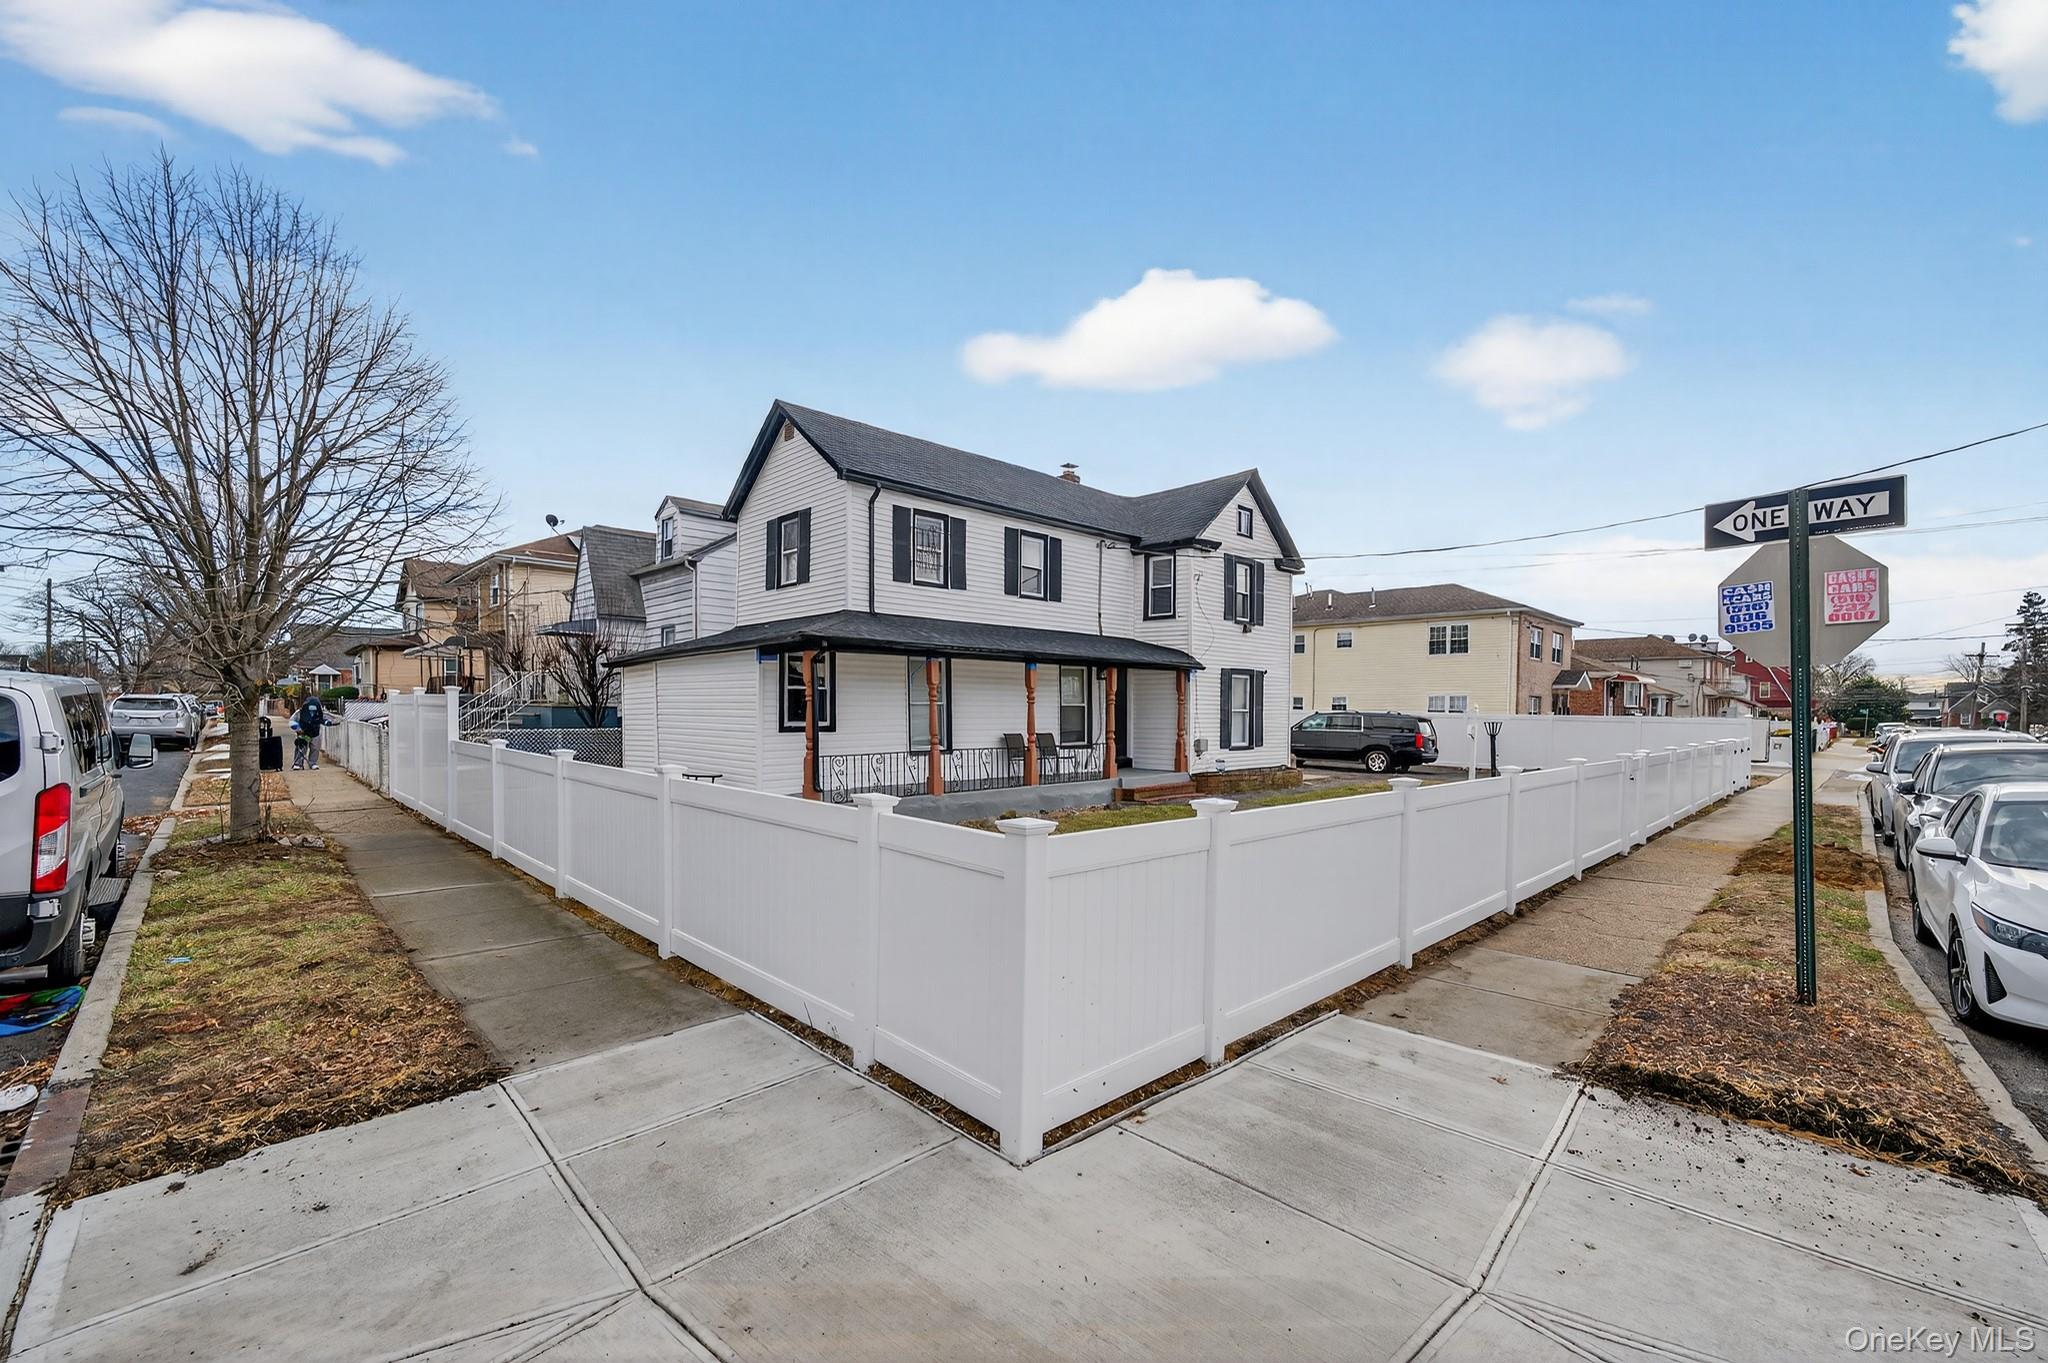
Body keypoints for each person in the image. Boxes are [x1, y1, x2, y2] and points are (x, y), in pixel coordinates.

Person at [293, 693, 328, 770]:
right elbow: (292, 721)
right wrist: (298, 729)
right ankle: (298, 763)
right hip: (304, 733)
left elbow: (325, 719)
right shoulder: (300, 712)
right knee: (301, 747)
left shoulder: (319, 713)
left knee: (315, 748)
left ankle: (313, 763)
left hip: (315, 733)